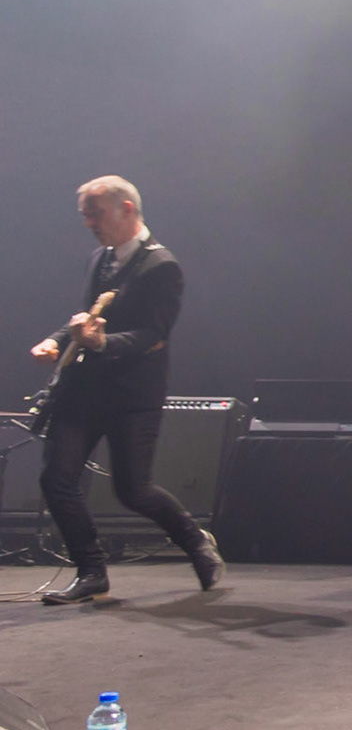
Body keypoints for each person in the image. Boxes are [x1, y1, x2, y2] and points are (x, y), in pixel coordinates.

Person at [28, 176, 223, 604]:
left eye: (95, 213)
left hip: (132, 397)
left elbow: (154, 335)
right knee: (56, 479)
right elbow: (88, 316)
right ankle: (91, 571)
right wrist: (58, 339)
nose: (89, 223)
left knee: (133, 490)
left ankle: (194, 541)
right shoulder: (100, 259)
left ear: (127, 209)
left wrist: (103, 343)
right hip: (83, 392)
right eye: (85, 214)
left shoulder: (162, 266)